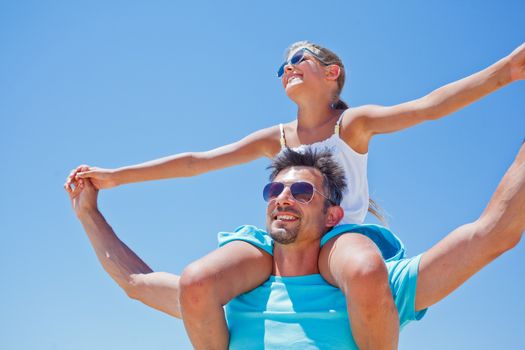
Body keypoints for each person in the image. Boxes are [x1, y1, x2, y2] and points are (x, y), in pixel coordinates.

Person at [65, 41, 525, 349]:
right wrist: (115, 177)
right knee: (196, 281)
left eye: (298, 59)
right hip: (281, 242)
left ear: (332, 73)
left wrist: (506, 71)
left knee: (366, 271)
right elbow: (196, 161)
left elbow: (428, 108)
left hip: (340, 235)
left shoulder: (353, 125)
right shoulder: (277, 137)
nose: (287, 67)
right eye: (281, 65)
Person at [67, 145, 525, 349]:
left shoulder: (375, 294)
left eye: (302, 192)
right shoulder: (234, 301)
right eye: (275, 191)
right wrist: (89, 213)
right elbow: (135, 281)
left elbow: (494, 233)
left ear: (331, 216)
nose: (283, 197)